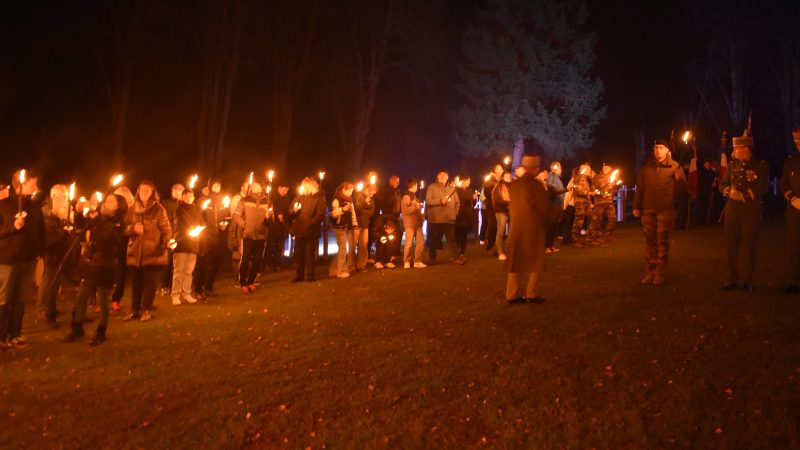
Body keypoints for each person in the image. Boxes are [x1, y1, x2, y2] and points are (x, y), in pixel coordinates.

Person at [63, 194, 127, 345]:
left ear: (119, 205)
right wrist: (82, 214)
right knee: (81, 297)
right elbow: (86, 229)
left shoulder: (119, 222)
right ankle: (77, 328)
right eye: (107, 199)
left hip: (106, 265)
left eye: (112, 201)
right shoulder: (100, 218)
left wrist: (97, 220)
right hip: (91, 264)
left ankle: (101, 331)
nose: (107, 202)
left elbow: (109, 238)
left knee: (103, 300)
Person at [0, 170, 45, 348]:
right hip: (8, 259)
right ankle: (1, 336)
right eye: (31, 183)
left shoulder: (35, 207)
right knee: (4, 298)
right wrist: (13, 227)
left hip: (28, 260)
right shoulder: (3, 205)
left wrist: (41, 250)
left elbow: (40, 232)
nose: (35, 186)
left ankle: (15, 333)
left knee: (19, 299)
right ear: (19, 184)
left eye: (35, 182)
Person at [719, 131, 768, 292]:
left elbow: (761, 186)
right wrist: (728, 191)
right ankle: (731, 278)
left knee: (748, 244)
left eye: (737, 148)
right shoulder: (732, 166)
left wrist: (744, 195)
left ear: (746, 148)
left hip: (749, 209)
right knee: (730, 245)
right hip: (732, 208)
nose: (734, 151)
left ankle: (747, 280)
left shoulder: (760, 165)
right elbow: (723, 183)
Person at [633, 140, 684, 285]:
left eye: (661, 148)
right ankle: (650, 272)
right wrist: (637, 206)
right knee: (650, 242)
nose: (658, 151)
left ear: (668, 150)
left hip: (665, 210)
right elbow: (640, 188)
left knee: (662, 242)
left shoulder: (674, 167)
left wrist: (679, 181)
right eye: (656, 148)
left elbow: (683, 193)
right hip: (648, 209)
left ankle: (660, 273)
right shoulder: (646, 167)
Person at [124, 180, 172, 322]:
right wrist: (133, 228)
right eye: (142, 190)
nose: (144, 192)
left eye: (147, 190)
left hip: (153, 252)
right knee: (136, 284)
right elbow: (123, 227)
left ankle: (146, 310)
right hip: (136, 252)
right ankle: (135, 310)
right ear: (138, 191)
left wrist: (167, 241)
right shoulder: (132, 209)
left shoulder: (158, 209)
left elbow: (165, 228)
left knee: (149, 285)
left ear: (152, 193)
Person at [505, 156, 550, 304]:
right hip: (532, 227)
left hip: (516, 227)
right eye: (536, 167)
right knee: (536, 260)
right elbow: (544, 208)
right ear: (533, 168)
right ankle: (532, 293)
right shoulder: (535, 186)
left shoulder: (515, 184)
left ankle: (511, 294)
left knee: (514, 260)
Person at [38, 184, 71, 328]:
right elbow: (49, 242)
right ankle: (47, 312)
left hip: (58, 257)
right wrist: (64, 233)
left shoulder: (56, 219)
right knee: (50, 284)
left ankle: (50, 309)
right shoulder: (48, 219)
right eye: (63, 197)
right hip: (52, 257)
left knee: (53, 284)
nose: (66, 200)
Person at [193, 178, 229, 298]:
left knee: (215, 263)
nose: (217, 188)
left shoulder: (223, 201)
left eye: (219, 186)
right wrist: (205, 228)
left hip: (219, 236)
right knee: (203, 263)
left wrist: (224, 223)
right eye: (214, 186)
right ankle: (198, 289)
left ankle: (209, 287)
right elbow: (198, 216)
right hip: (206, 237)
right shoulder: (203, 201)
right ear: (210, 187)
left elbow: (226, 215)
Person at [233, 181, 269, 293]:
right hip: (248, 235)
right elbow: (236, 215)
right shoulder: (244, 200)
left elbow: (270, 219)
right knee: (245, 259)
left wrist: (269, 219)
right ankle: (243, 282)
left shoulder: (267, 201)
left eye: (258, 186)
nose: (257, 188)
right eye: (254, 186)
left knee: (257, 260)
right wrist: (244, 225)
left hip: (261, 235)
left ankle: (251, 281)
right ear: (252, 189)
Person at [290, 177, 327, 282]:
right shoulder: (299, 197)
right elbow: (290, 210)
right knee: (299, 254)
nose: (303, 188)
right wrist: (294, 210)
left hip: (311, 231)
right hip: (299, 230)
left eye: (304, 186)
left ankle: (310, 275)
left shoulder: (319, 198)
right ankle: (299, 275)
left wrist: (309, 224)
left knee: (309, 254)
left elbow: (319, 215)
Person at [171, 188, 203, 304]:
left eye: (190, 196)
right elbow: (181, 223)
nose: (189, 198)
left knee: (189, 271)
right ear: (182, 198)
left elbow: (202, 223)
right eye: (186, 196)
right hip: (181, 243)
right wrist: (193, 228)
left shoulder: (197, 210)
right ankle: (175, 295)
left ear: (193, 197)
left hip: (193, 244)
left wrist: (200, 228)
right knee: (178, 271)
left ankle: (186, 293)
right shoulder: (179, 210)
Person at [425, 170, 463, 265]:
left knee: (451, 240)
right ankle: (432, 259)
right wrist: (440, 201)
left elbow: (457, 203)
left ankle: (455, 258)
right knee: (433, 240)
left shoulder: (452, 189)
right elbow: (428, 201)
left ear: (447, 177)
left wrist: (455, 213)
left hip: (449, 218)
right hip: (435, 219)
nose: (443, 177)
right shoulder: (432, 187)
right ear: (437, 177)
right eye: (441, 176)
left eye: (445, 176)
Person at [780, 128, 800, 294]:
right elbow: (784, 184)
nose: (799, 145)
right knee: (793, 246)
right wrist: (793, 198)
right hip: (795, 211)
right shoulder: (791, 162)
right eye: (797, 142)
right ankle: (793, 281)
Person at [111, 185, 135, 312]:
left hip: (124, 245)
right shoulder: (111, 212)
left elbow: (130, 227)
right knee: (109, 272)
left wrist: (129, 229)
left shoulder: (131, 212)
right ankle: (102, 299)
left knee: (121, 273)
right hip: (112, 245)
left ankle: (116, 299)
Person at [160, 183, 184, 296]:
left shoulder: (185, 205)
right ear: (172, 192)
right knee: (168, 263)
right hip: (170, 236)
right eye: (176, 191)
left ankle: (175, 285)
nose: (178, 194)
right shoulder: (166, 204)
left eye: (180, 192)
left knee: (179, 263)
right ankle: (164, 286)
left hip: (182, 237)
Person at [330, 182, 357, 278]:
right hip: (339, 228)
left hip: (348, 227)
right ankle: (341, 271)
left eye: (352, 191)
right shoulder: (336, 200)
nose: (351, 193)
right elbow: (333, 214)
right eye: (349, 190)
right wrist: (343, 210)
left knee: (346, 249)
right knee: (343, 249)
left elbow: (353, 213)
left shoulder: (350, 200)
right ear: (343, 190)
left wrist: (354, 224)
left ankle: (337, 269)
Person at [588, 163, 619, 243]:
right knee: (596, 220)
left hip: (609, 202)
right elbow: (594, 189)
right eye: (604, 167)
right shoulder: (597, 177)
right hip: (600, 202)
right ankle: (593, 237)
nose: (605, 169)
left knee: (613, 219)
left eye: (607, 167)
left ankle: (608, 234)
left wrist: (614, 185)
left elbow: (613, 188)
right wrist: (601, 193)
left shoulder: (612, 177)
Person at [264, 182, 290, 272]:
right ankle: (267, 263)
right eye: (284, 189)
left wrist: (285, 217)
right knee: (270, 245)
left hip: (282, 227)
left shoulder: (287, 200)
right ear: (279, 188)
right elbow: (271, 207)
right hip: (273, 226)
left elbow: (288, 211)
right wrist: (277, 213)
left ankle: (277, 264)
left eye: (287, 190)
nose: (285, 192)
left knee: (279, 246)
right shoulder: (272, 198)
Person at [401, 178, 426, 269]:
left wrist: (421, 215)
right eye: (416, 185)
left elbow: (416, 210)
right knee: (409, 244)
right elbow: (406, 211)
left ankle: (417, 261)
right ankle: (406, 261)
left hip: (417, 223)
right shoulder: (406, 197)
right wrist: (417, 207)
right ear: (412, 186)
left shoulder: (414, 196)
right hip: (410, 224)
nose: (417, 187)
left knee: (420, 243)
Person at [353, 184, 376, 271]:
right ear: (367, 189)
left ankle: (361, 265)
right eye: (371, 192)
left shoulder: (371, 198)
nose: (372, 195)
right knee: (353, 245)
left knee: (364, 245)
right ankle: (351, 265)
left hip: (365, 223)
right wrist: (365, 202)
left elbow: (372, 211)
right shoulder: (359, 195)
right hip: (357, 224)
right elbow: (357, 209)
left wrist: (364, 212)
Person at [570, 163, 593, 248]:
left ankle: (591, 238)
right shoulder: (579, 178)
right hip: (580, 203)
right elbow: (579, 190)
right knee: (578, 222)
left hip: (586, 202)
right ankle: (575, 240)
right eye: (589, 169)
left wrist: (590, 202)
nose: (590, 171)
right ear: (584, 169)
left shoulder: (585, 178)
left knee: (593, 218)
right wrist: (589, 193)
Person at [545, 162, 566, 253]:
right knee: (550, 226)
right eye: (559, 167)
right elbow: (553, 191)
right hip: (553, 205)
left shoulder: (558, 179)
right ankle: (546, 246)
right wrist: (567, 189)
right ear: (554, 168)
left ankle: (551, 245)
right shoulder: (551, 178)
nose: (561, 169)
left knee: (554, 227)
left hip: (558, 205)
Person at [455, 176, 477, 260]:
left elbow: (472, 204)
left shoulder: (470, 190)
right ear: (463, 181)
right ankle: (456, 252)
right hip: (458, 215)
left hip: (467, 216)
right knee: (457, 235)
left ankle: (462, 253)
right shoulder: (456, 191)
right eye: (468, 180)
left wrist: (474, 199)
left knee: (464, 235)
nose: (469, 182)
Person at [482, 164, 503, 254]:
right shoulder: (490, 180)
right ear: (494, 171)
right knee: (493, 226)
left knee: (499, 227)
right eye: (499, 169)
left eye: (502, 168)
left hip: (500, 207)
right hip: (491, 207)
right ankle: (490, 246)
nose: (501, 170)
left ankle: (496, 246)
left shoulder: (501, 180)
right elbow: (487, 192)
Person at [492, 172, 511, 260]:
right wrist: (510, 202)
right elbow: (498, 200)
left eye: (509, 176)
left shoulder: (511, 186)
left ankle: (509, 250)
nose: (509, 177)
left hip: (509, 211)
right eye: (507, 176)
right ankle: (500, 253)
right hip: (501, 211)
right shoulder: (499, 187)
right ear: (502, 177)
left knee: (511, 231)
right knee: (501, 232)